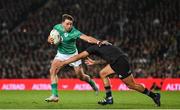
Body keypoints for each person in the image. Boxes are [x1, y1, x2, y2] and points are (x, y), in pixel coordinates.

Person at [57, 41, 161, 106]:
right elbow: (109, 58)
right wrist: (96, 62)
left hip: (120, 62)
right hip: (117, 60)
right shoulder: (103, 45)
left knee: (131, 85)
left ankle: (154, 95)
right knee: (103, 73)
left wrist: (65, 62)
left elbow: (78, 56)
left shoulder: (92, 48)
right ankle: (109, 98)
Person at [45, 14, 102, 102]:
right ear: (62, 23)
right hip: (61, 54)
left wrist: (98, 42)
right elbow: (51, 36)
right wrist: (49, 39)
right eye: (67, 24)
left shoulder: (74, 32)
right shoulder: (57, 27)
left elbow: (87, 38)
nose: (70, 26)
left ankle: (91, 82)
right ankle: (55, 95)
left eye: (71, 24)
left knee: (80, 76)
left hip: (73, 55)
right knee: (52, 70)